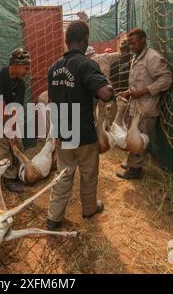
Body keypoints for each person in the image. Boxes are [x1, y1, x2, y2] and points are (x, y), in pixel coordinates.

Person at [46, 20, 114, 231]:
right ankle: (89, 209)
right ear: (85, 40)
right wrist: (110, 89)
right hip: (83, 132)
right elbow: (104, 94)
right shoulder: (87, 64)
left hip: (62, 131)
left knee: (63, 175)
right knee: (88, 173)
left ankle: (53, 217)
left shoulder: (53, 68)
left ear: (66, 42)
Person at [116, 28, 173, 179]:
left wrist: (144, 91)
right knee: (132, 137)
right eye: (129, 44)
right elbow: (137, 84)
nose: (131, 46)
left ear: (143, 40)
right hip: (135, 107)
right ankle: (131, 163)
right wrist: (128, 92)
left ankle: (135, 170)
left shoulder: (152, 58)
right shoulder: (137, 57)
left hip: (146, 109)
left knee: (139, 139)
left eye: (133, 42)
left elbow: (166, 79)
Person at [0, 48, 31, 193]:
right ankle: (8, 178)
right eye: (26, 67)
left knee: (17, 143)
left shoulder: (21, 84)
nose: (27, 71)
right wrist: (8, 128)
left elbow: (15, 109)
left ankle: (20, 172)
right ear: (15, 64)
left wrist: (13, 129)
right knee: (2, 145)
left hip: (7, 114)